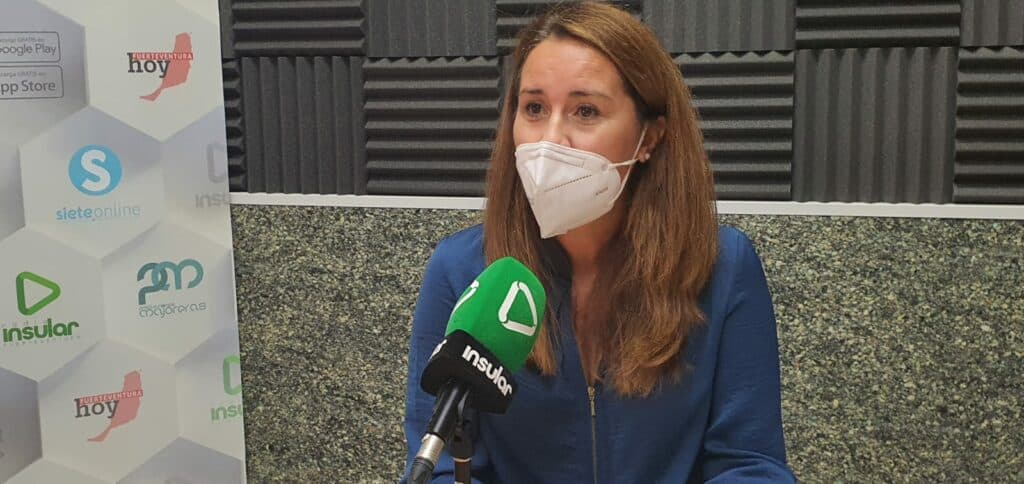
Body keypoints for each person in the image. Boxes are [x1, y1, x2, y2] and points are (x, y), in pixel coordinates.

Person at [402, 3, 795, 482]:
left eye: (585, 111)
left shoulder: (723, 267)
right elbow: (441, 467)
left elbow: (750, 464)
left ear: (649, 137)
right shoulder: (461, 271)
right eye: (534, 108)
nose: (550, 140)